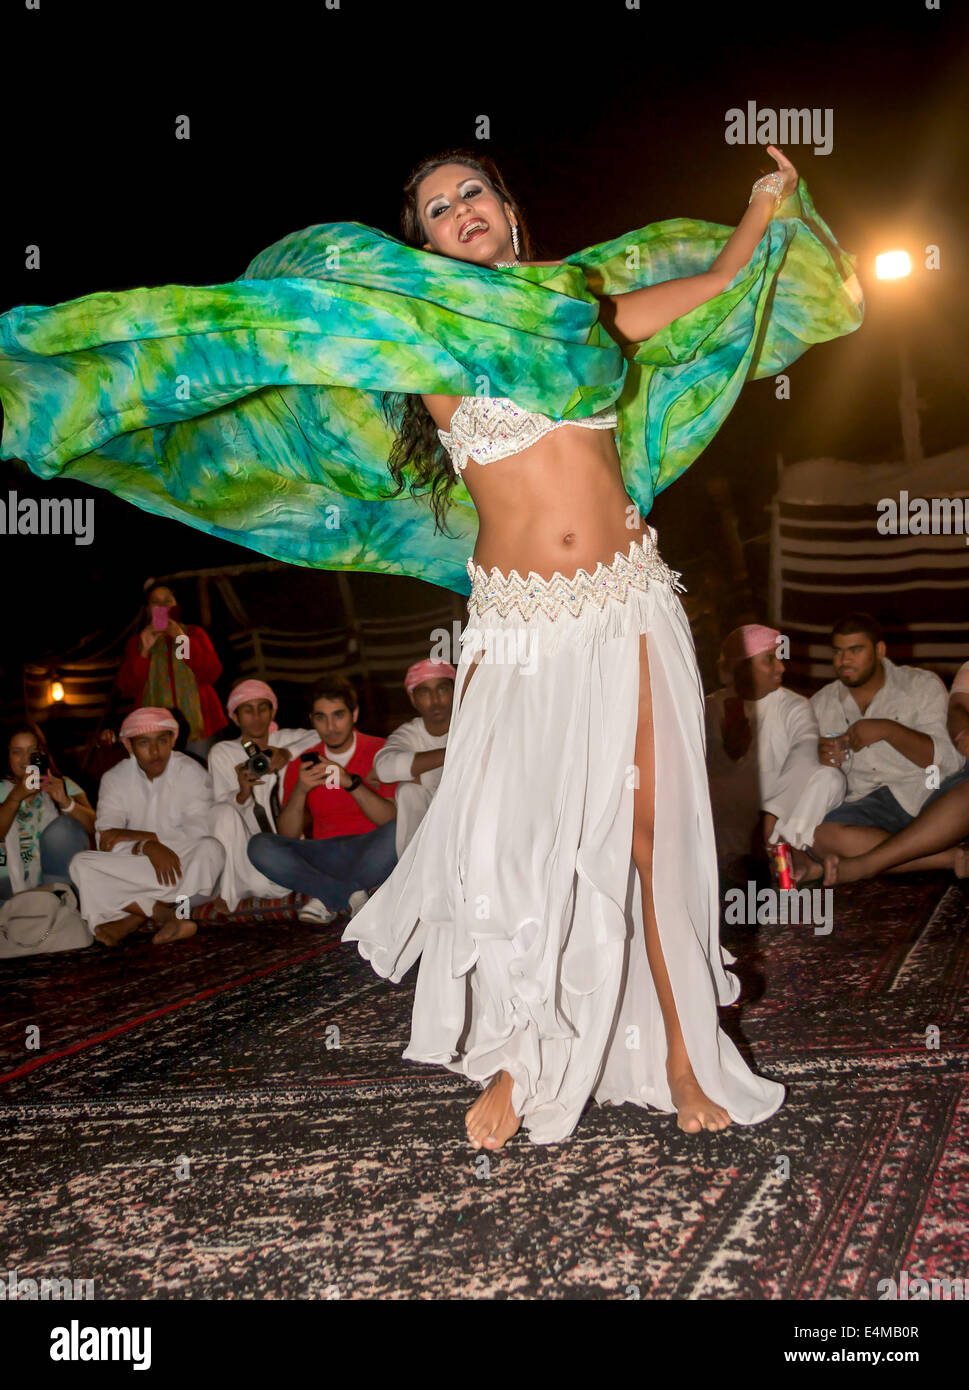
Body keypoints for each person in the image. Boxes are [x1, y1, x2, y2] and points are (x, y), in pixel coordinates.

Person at [0, 144, 864, 1148]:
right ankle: (514, 1056)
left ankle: (683, 1054)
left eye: (472, 192)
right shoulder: (422, 335)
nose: (459, 210)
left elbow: (719, 284)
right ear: (424, 243)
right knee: (510, 838)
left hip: (627, 600)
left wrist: (765, 202)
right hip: (519, 620)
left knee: (646, 838)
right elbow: (285, 336)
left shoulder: (579, 315)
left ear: (507, 204)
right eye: (435, 208)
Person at [810, 615, 968, 881]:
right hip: (870, 806)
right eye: (837, 652)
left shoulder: (920, 684)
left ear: (880, 651)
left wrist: (889, 731)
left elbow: (949, 761)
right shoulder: (819, 704)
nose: (844, 661)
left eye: (855, 650)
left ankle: (866, 864)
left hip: (931, 792)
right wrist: (817, 759)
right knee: (819, 836)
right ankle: (945, 857)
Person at [247, 677, 399, 924]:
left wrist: (351, 783)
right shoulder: (302, 762)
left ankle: (326, 896)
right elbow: (287, 834)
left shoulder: (382, 751)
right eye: (321, 718)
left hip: (368, 849)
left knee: (401, 831)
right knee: (260, 846)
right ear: (312, 720)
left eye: (338, 715)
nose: (331, 726)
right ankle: (347, 894)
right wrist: (300, 790)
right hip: (324, 854)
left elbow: (390, 819)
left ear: (354, 714)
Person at [69, 708, 225, 946]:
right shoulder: (115, 779)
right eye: (144, 743)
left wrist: (146, 840)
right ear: (129, 747)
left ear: (172, 741)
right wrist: (145, 846)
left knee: (210, 849)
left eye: (162, 741)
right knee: (81, 864)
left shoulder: (191, 772)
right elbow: (106, 840)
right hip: (143, 865)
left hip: (183, 863)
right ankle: (169, 915)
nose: (155, 752)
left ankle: (133, 919)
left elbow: (197, 833)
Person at [704, 626, 844, 886]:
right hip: (735, 817)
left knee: (830, 777)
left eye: (779, 658)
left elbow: (805, 753)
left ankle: (785, 850)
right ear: (742, 667)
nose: (781, 668)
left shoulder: (794, 706)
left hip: (783, 810)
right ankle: (784, 860)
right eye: (770, 660)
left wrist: (773, 812)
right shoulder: (711, 707)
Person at [208, 679, 318, 913]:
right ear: (235, 718)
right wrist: (243, 793)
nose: (256, 716)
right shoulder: (223, 753)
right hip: (243, 849)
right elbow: (220, 816)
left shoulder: (285, 739)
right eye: (248, 710)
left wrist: (287, 753)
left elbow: (322, 734)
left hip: (282, 847)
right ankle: (229, 891)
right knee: (220, 811)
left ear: (272, 711)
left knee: (269, 883)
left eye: (262, 708)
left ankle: (250, 883)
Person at [117, 582, 226, 761]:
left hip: (197, 727)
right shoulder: (136, 642)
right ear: (147, 609)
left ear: (177, 605)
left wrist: (181, 639)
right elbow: (128, 687)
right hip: (155, 731)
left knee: (201, 777)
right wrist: (144, 652)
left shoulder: (193, 633)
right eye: (156, 602)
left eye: (167, 601)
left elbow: (211, 673)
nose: (162, 607)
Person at [0, 722, 95, 898]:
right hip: (5, 883)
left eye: (32, 751)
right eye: (17, 752)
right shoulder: (2, 789)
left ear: (42, 753)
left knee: (65, 826)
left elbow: (95, 827)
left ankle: (58, 900)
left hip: (53, 878)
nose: (26, 758)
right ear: (8, 757)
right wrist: (15, 796)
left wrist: (66, 802)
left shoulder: (61, 784)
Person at [372, 659, 455, 857]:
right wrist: (455, 753)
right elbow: (383, 768)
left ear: (455, 690)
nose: (435, 700)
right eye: (424, 692)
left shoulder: (473, 722)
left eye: (442, 689)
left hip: (472, 813)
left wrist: (421, 773)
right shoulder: (410, 733)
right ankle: (412, 873)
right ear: (412, 698)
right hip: (432, 823)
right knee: (408, 791)